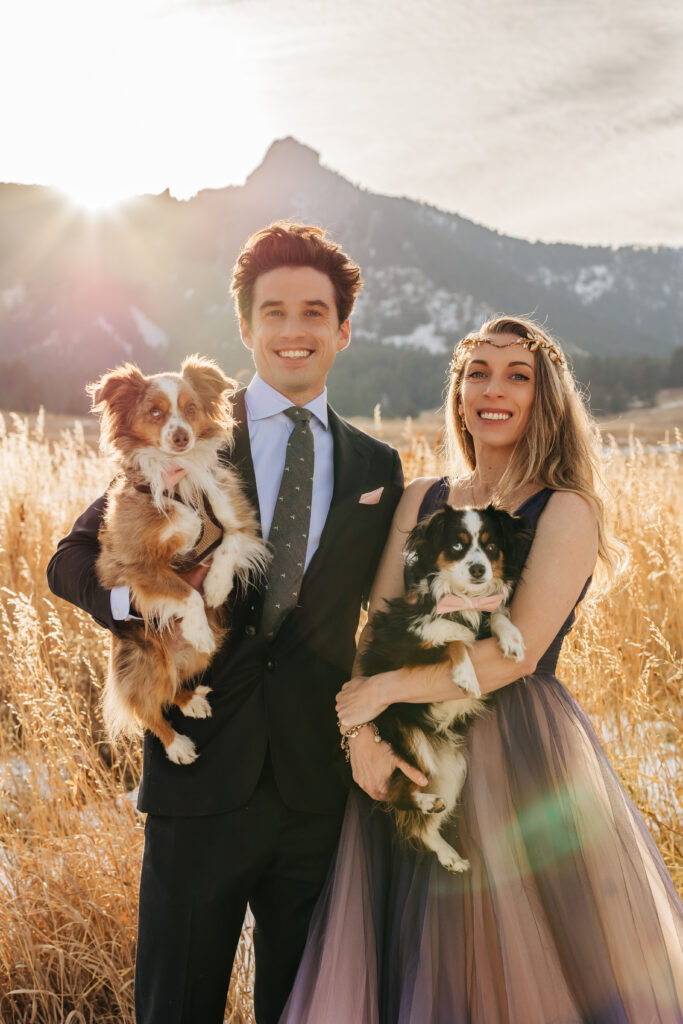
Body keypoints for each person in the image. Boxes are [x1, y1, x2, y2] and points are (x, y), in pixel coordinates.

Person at [46, 222, 410, 1024]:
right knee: (175, 1007)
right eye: (272, 311)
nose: (293, 330)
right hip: (198, 778)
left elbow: (389, 612)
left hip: (319, 790)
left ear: (342, 330)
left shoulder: (377, 468)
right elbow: (69, 559)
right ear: (245, 327)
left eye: (314, 312)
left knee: (305, 1008)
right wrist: (136, 607)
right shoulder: (184, 436)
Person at [280, 315, 683, 1024]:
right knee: (408, 954)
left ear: (545, 398)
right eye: (477, 372)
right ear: (458, 390)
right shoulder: (422, 499)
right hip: (408, 752)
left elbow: (515, 653)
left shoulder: (563, 509)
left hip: (515, 756)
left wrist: (384, 693)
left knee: (508, 961)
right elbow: (375, 625)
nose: (492, 390)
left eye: (516, 376)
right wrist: (364, 740)